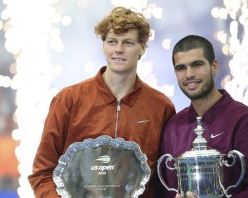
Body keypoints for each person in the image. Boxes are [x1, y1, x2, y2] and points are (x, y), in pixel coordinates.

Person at [28, 7, 175, 198]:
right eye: (112, 41)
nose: (118, 49)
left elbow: (166, 178)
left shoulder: (160, 107)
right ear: (103, 45)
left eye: (128, 43)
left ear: (142, 48)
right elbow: (42, 172)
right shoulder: (69, 100)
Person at [158, 35, 248, 198]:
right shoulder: (173, 127)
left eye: (197, 65)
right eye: (181, 68)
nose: (189, 74)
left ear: (214, 66)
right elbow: (166, 191)